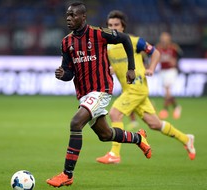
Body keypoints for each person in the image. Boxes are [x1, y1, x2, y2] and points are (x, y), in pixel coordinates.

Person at [46, 2, 152, 188]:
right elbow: (69, 72)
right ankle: (138, 138)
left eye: (73, 15)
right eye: (67, 15)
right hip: (84, 94)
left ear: (83, 17)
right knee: (105, 134)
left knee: (75, 123)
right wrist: (63, 75)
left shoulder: (99, 34)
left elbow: (125, 38)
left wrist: (131, 68)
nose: (69, 18)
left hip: (101, 90)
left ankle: (67, 174)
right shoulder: (66, 42)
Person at [96, 10, 195, 164]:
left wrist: (151, 69)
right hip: (129, 89)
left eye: (116, 25)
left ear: (123, 26)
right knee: (154, 123)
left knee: (115, 113)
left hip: (138, 87)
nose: (113, 28)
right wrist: (111, 70)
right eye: (110, 25)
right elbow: (117, 66)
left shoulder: (134, 41)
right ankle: (186, 139)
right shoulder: (108, 47)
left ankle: (114, 154)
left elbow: (155, 52)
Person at [157, 32, 183, 119]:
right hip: (162, 71)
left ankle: (165, 110)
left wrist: (176, 61)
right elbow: (154, 56)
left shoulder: (173, 47)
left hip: (171, 71)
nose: (164, 41)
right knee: (166, 92)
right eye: (162, 39)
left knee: (167, 90)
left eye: (165, 39)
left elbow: (181, 56)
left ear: (169, 40)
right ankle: (176, 107)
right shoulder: (158, 47)